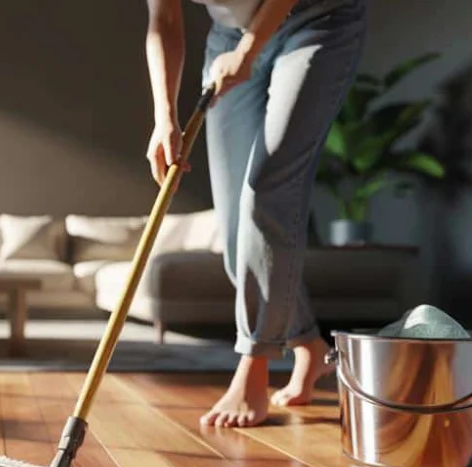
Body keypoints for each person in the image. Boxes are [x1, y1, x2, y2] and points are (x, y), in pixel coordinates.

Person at [144, 0, 367, 427]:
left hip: (318, 20)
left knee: (267, 191)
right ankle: (308, 344)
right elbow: (164, 21)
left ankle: (254, 367)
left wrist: (249, 53)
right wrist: (164, 117)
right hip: (227, 36)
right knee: (233, 225)